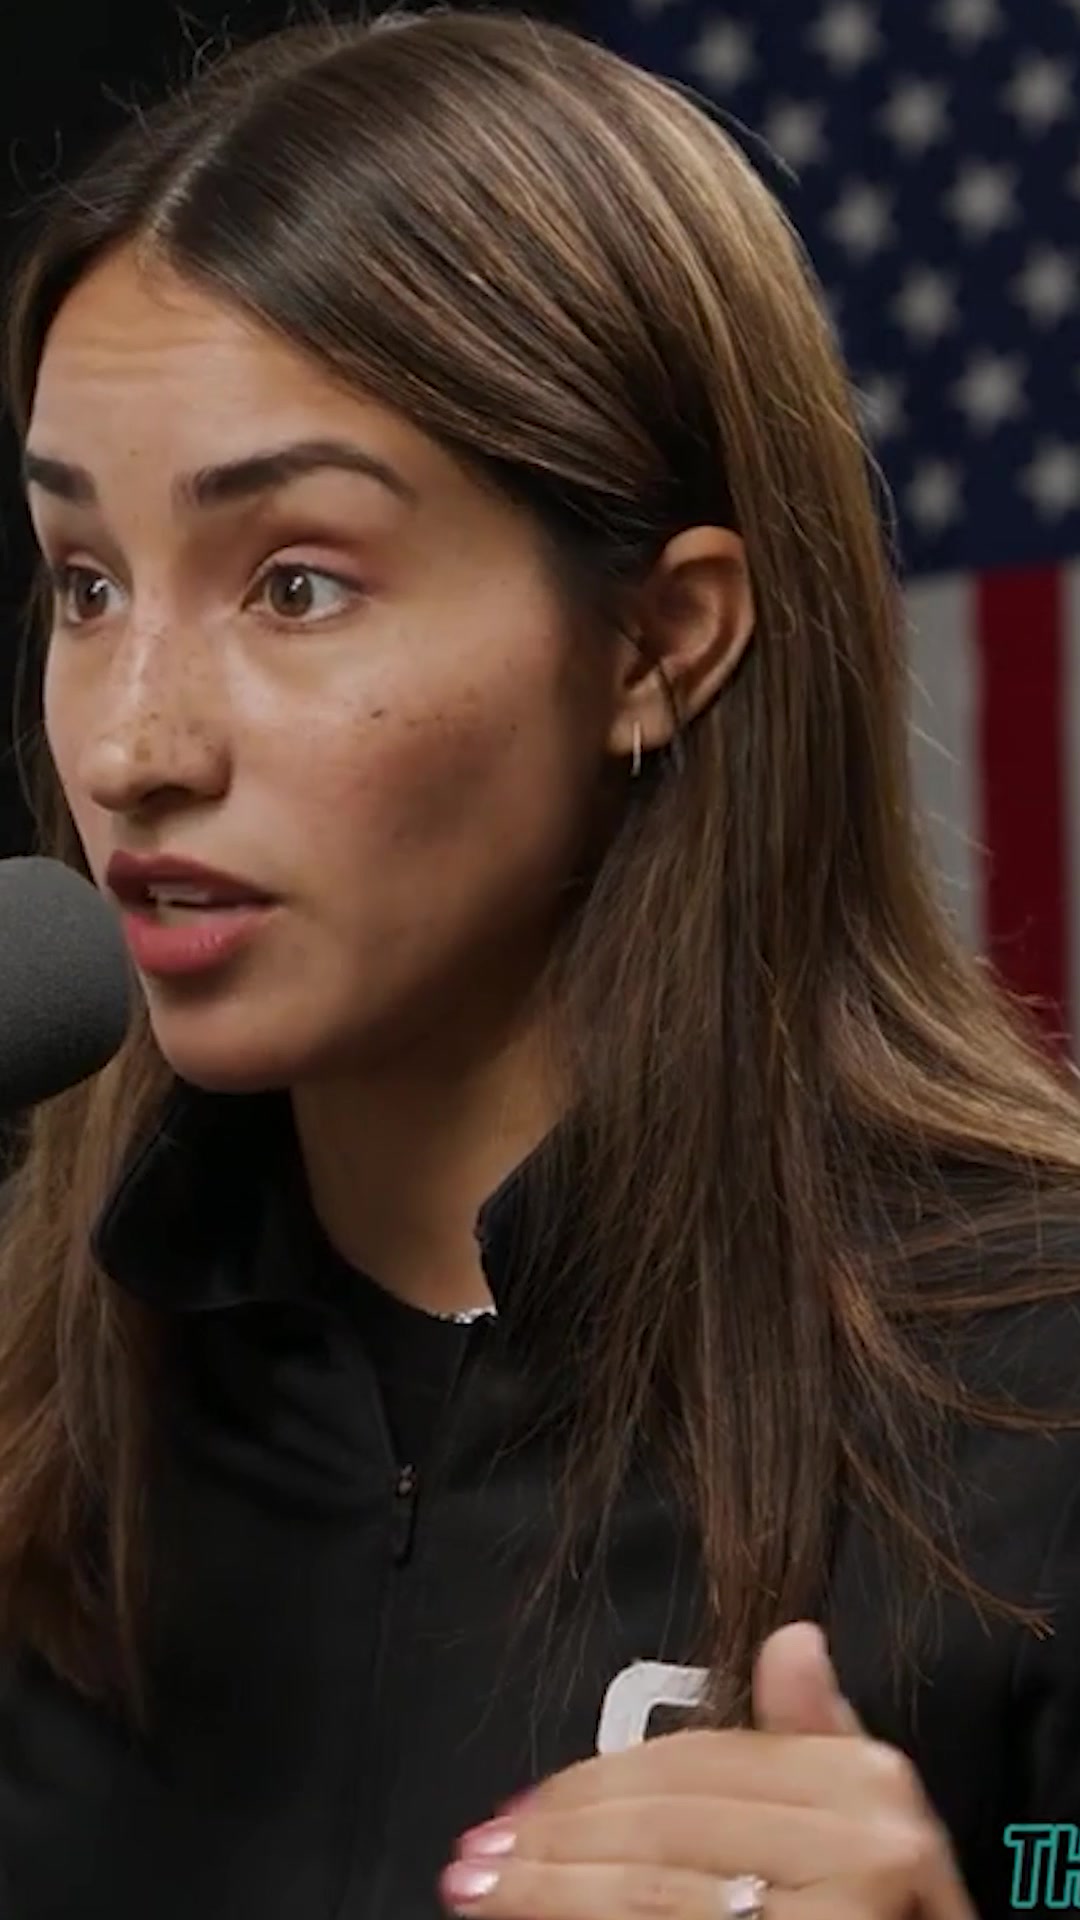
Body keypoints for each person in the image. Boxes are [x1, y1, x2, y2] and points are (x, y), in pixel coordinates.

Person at [0, 7, 1078, 1917]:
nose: (132, 744)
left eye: (296, 584)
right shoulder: (32, 1386)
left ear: (661, 642)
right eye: (87, 584)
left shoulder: (1040, 1396)